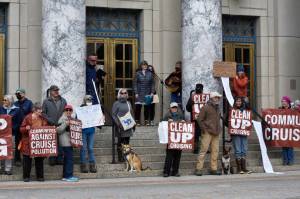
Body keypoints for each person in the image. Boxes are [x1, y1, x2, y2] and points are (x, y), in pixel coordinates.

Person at [195, 91, 222, 176]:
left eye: (218, 97)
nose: (217, 99)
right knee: (203, 150)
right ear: (211, 98)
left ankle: (213, 169)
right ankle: (198, 169)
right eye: (216, 97)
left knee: (215, 151)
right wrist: (204, 129)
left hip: (216, 132)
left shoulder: (218, 108)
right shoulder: (205, 107)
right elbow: (199, 119)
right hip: (207, 132)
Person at [19, 102, 48, 182]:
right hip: (28, 142)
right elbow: (21, 129)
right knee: (27, 160)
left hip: (38, 142)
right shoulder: (27, 118)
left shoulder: (42, 118)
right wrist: (26, 128)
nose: (40, 112)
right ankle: (26, 177)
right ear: (34, 110)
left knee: (39, 159)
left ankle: (40, 176)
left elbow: (46, 128)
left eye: (41, 110)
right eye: (39, 110)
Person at [42, 85, 67, 166]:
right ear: (50, 92)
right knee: (52, 143)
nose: (56, 92)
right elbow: (43, 113)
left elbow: (66, 112)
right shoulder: (46, 101)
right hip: (50, 125)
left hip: (61, 125)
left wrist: (63, 121)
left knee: (61, 142)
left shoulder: (63, 101)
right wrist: (50, 120)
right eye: (54, 90)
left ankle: (60, 159)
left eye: (57, 90)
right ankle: (52, 159)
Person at [57, 105, 79, 182]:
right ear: (64, 111)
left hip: (70, 142)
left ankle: (65, 176)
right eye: (67, 110)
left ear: (72, 111)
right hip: (65, 142)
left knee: (67, 159)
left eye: (70, 110)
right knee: (69, 159)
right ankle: (68, 176)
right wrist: (66, 124)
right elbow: (58, 130)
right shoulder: (62, 119)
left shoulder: (72, 119)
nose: (68, 111)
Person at [230, 97, 252, 174]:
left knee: (244, 149)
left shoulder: (246, 111)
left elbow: (249, 119)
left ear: (242, 102)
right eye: (237, 101)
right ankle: (239, 169)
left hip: (244, 132)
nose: (238, 103)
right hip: (236, 132)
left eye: (240, 101)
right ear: (235, 102)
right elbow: (228, 120)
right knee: (238, 150)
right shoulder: (232, 110)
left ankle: (244, 168)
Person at [112, 88, 135, 162]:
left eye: (125, 93)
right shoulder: (116, 103)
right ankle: (120, 157)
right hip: (120, 127)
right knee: (120, 143)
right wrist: (118, 124)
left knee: (127, 143)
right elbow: (113, 115)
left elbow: (131, 113)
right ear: (119, 94)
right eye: (122, 93)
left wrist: (134, 124)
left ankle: (126, 157)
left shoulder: (129, 103)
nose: (124, 94)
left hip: (128, 126)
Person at [162, 102, 184, 177]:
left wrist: (183, 122)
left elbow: (186, 126)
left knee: (178, 156)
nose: (174, 109)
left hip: (179, 139)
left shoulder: (181, 115)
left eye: (175, 107)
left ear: (177, 108)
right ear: (170, 108)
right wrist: (166, 122)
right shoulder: (167, 115)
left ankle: (175, 171)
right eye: (173, 107)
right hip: (170, 139)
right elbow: (162, 125)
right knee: (169, 156)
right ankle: (166, 171)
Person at [0, 95, 20, 175]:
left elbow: (19, 121)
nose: (3, 101)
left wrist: (11, 128)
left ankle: (8, 169)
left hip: (11, 133)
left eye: (5, 100)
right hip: (1, 134)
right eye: (3, 100)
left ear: (10, 101)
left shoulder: (17, 110)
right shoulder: (1, 109)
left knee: (8, 150)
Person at [13, 88, 33, 167]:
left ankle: (30, 159)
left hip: (27, 127)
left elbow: (31, 114)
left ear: (24, 94)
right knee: (18, 143)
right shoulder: (15, 104)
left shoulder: (29, 103)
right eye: (16, 94)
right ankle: (17, 159)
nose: (18, 95)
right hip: (18, 127)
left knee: (28, 143)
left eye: (19, 93)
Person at [134, 60, 155, 126]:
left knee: (147, 107)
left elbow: (152, 84)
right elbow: (135, 84)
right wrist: (136, 93)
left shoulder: (150, 73)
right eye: (143, 65)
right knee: (138, 107)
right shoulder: (138, 73)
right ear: (141, 66)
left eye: (146, 65)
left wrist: (152, 92)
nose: (144, 66)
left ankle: (146, 121)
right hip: (139, 92)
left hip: (148, 92)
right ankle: (137, 121)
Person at [80, 95, 97, 173]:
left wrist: (101, 118)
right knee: (83, 148)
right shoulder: (81, 108)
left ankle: (92, 164)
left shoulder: (94, 108)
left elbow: (97, 118)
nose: (89, 100)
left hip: (91, 131)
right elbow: (77, 118)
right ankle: (83, 164)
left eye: (90, 99)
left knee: (90, 148)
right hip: (83, 131)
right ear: (84, 100)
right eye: (88, 99)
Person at [186, 83, 204, 154]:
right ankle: (196, 148)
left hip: (203, 120)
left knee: (203, 134)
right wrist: (191, 103)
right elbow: (187, 108)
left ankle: (204, 148)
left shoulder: (205, 97)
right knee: (196, 135)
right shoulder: (192, 97)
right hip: (195, 120)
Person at [280, 96, 294, 166]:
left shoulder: (292, 110)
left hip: (291, 130)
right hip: (283, 130)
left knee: (290, 145)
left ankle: (290, 160)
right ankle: (285, 160)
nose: (282, 103)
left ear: (287, 102)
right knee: (284, 145)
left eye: (284, 101)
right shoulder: (279, 110)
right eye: (282, 101)